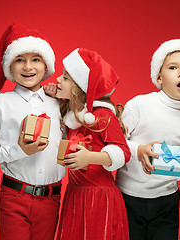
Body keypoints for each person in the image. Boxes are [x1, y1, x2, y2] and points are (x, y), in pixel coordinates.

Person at [0, 23, 65, 240]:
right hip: (14, 196)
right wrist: (18, 150)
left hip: (51, 198)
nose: (27, 67)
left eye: (35, 59)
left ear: (46, 65)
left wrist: (64, 100)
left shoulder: (59, 102)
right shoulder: (1, 103)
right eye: (19, 59)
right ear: (9, 67)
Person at [115, 39, 180, 240]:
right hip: (126, 197)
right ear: (159, 77)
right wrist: (138, 150)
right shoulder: (140, 105)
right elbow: (115, 142)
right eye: (173, 67)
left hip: (166, 202)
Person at [45, 48, 131, 240]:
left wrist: (90, 157)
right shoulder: (72, 116)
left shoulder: (102, 117)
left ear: (80, 87)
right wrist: (53, 97)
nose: (58, 79)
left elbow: (123, 152)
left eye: (66, 77)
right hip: (76, 194)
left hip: (100, 198)